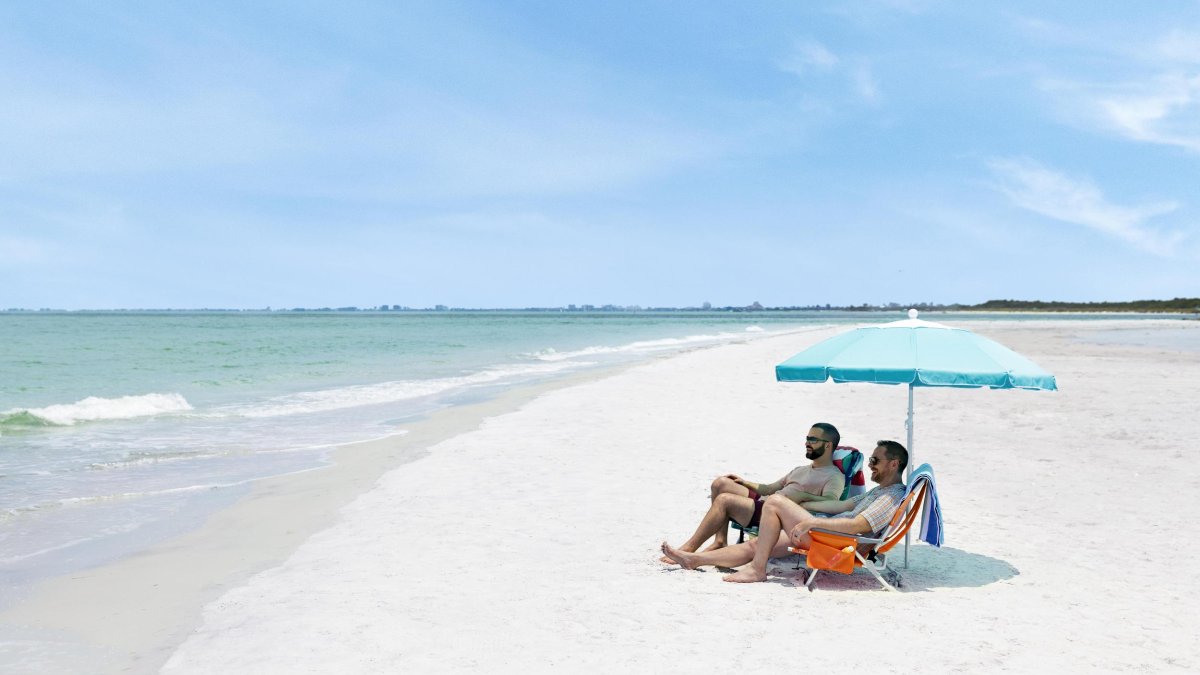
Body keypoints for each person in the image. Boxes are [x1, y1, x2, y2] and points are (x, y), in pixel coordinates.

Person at [660, 440, 908, 584]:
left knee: (776, 502)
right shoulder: (878, 492)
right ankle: (695, 560)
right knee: (757, 545)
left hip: (835, 539)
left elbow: (857, 526)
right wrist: (806, 505)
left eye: (875, 461)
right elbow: (842, 506)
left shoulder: (891, 496)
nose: (870, 465)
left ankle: (758, 570)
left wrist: (809, 522)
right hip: (828, 531)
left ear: (894, 464)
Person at [661, 423, 846, 562]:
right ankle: (720, 541)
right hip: (768, 499)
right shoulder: (800, 469)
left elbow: (831, 503)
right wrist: (744, 482)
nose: (807, 443)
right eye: (807, 438)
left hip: (775, 513)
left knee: (725, 500)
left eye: (813, 439)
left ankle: (689, 548)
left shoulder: (834, 476)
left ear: (828, 445)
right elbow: (770, 488)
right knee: (721, 484)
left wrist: (803, 497)